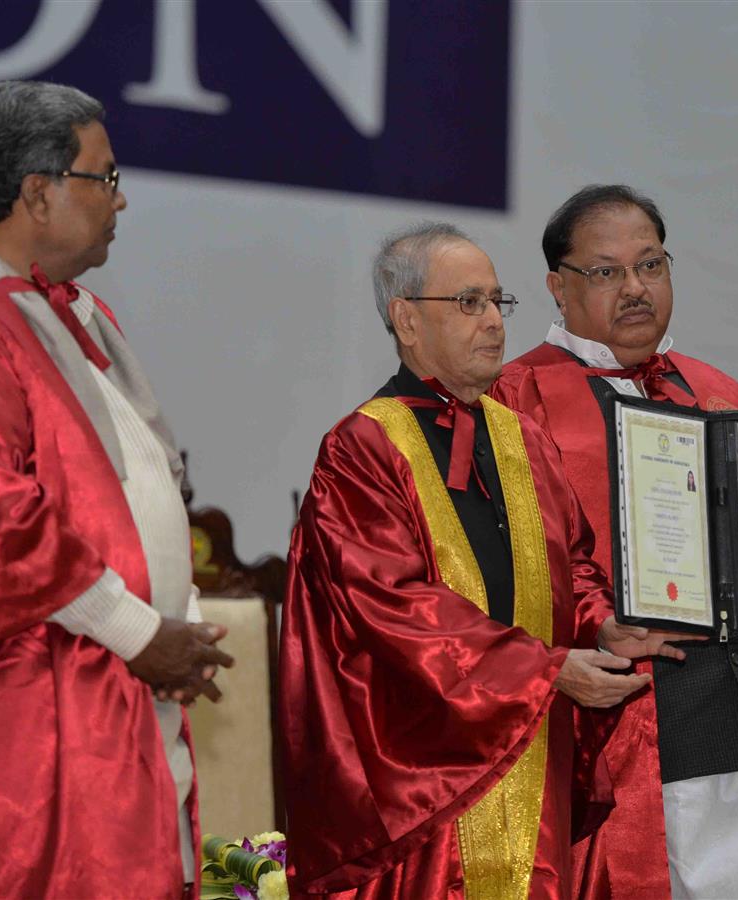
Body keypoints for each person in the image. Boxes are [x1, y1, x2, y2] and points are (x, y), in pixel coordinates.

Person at [279, 223, 692, 897]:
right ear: (406, 320)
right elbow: (395, 608)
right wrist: (549, 669)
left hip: (532, 757)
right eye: (469, 303)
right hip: (425, 776)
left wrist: (606, 628)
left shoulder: (519, 437)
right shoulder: (361, 449)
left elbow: (573, 570)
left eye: (499, 302)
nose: (494, 322)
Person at [0, 81, 233, 898]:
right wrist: (138, 630)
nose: (122, 201)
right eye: (104, 178)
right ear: (37, 194)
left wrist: (173, 632)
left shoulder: (66, 316)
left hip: (110, 689)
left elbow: (137, 492)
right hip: (24, 714)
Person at [494, 185, 738, 899]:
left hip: (737, 715)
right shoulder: (514, 396)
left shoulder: (720, 393)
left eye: (651, 266)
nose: (634, 289)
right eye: (606, 271)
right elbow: (511, 580)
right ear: (558, 287)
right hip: (604, 728)